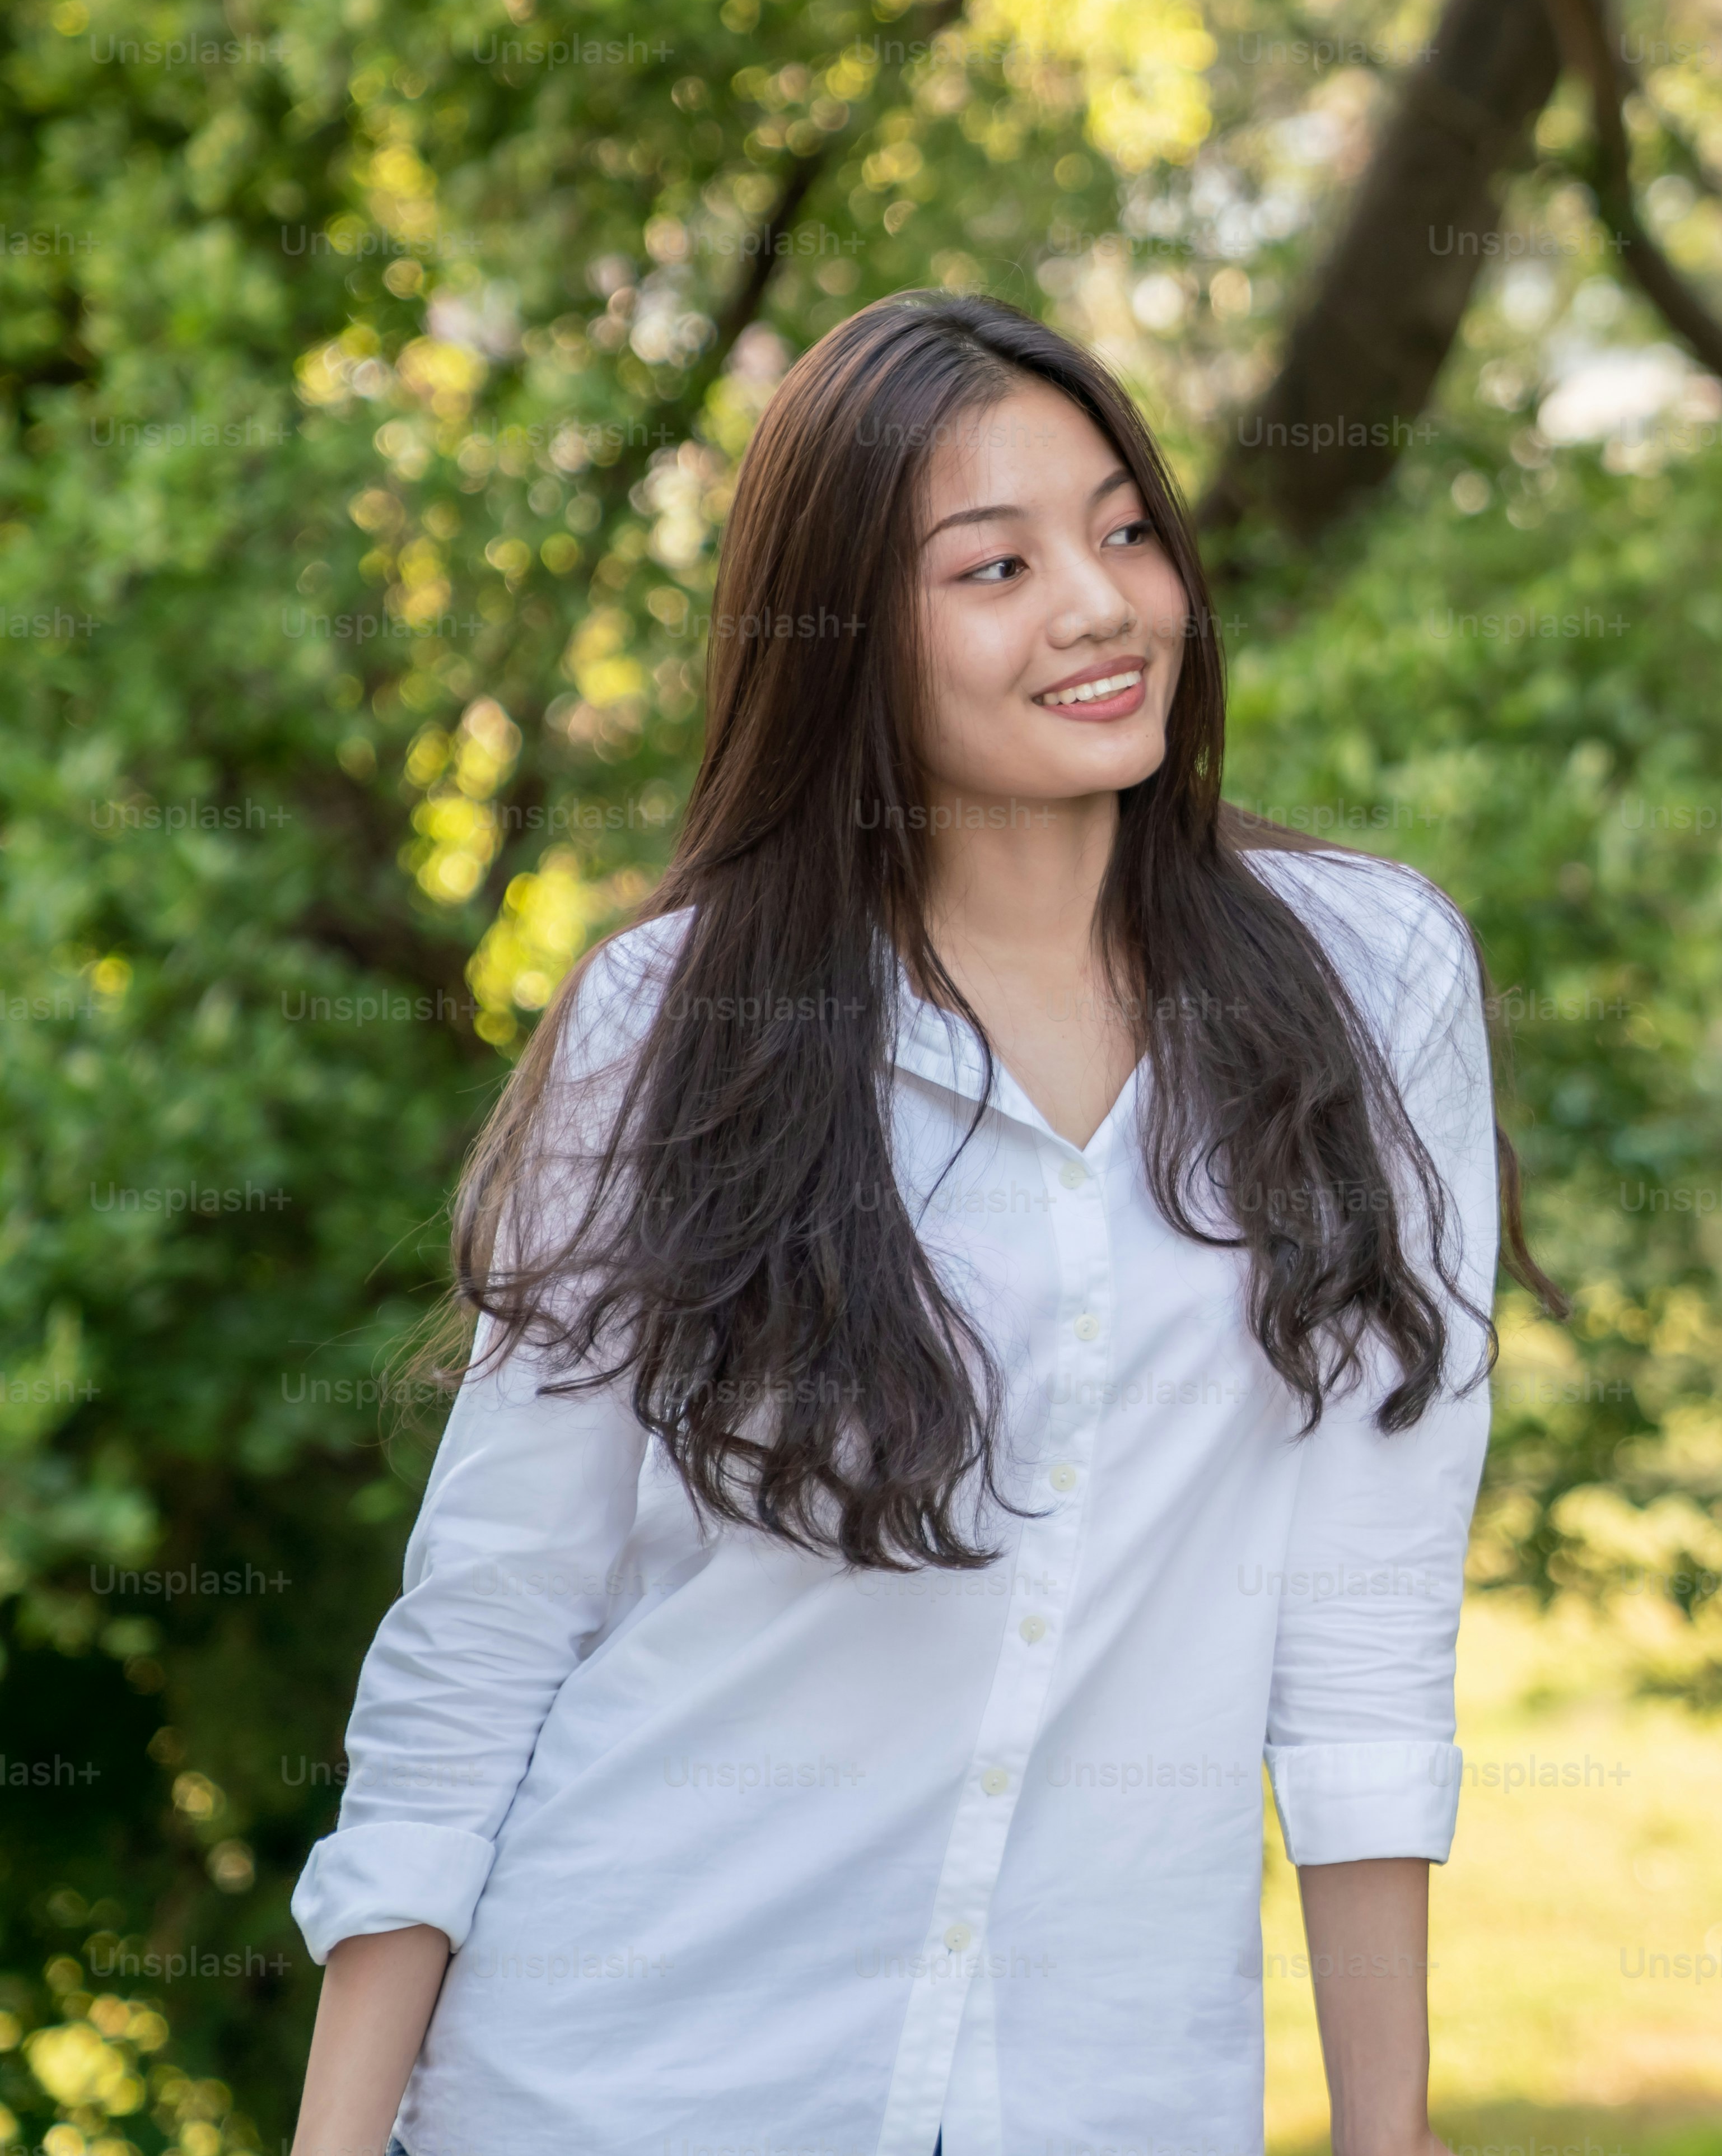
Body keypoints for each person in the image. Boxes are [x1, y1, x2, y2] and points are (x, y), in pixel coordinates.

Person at [288, 292, 1543, 2156]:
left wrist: (1388, 2125)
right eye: (996, 566)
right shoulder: (680, 1018)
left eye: (1125, 531)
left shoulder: (1372, 983)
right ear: (846, 639)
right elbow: (493, 1619)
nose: (1101, 606)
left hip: (1101, 2093)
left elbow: (1364, 1606)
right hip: (621, 2084)